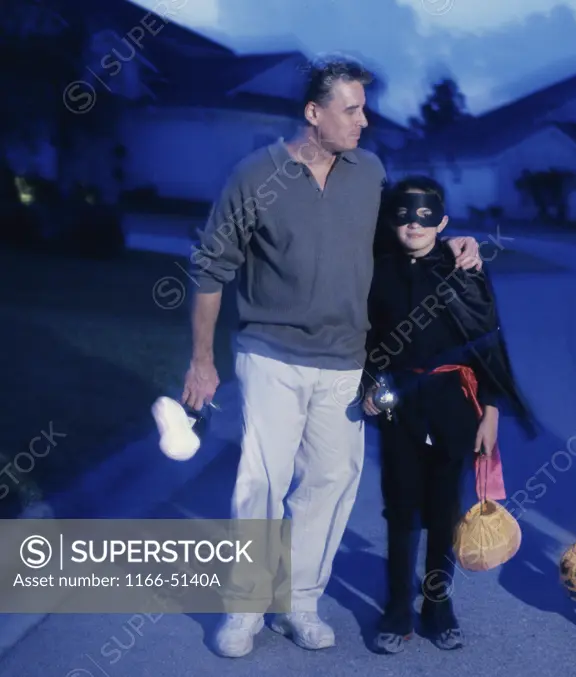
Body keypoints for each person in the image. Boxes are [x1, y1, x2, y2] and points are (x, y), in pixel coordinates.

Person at [181, 57, 483, 659]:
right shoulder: (254, 176)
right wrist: (201, 360)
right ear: (313, 113)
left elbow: (397, 237)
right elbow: (212, 266)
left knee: (332, 480)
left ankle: (299, 601)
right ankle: (244, 611)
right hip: (271, 351)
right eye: (351, 109)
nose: (364, 121)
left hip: (346, 360)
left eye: (364, 108)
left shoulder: (368, 173)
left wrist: (447, 243)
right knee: (260, 482)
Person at [361, 175, 536, 654]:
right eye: (403, 215)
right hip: (400, 406)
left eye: (425, 216)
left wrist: (493, 410)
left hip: (455, 405)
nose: (413, 225)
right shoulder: (377, 270)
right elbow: (368, 339)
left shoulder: (465, 268)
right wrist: (370, 384)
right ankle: (397, 607)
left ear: (441, 220)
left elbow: (488, 343)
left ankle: (437, 605)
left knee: (443, 511)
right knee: (400, 509)